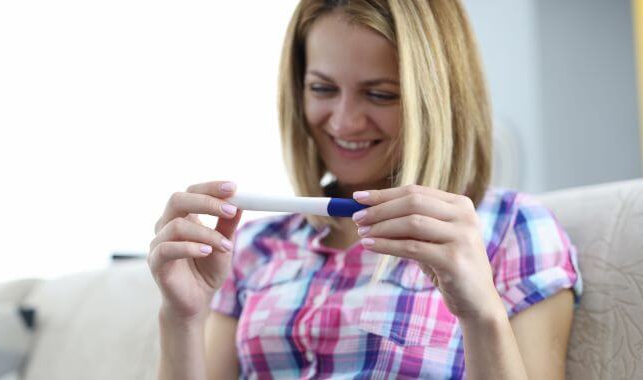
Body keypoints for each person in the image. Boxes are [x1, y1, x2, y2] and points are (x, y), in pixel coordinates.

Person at [148, 0, 582, 378]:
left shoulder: (512, 230)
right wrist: (182, 317)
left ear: (437, 96)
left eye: (379, 95)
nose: (344, 122)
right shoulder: (253, 247)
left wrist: (480, 313)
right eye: (322, 89)